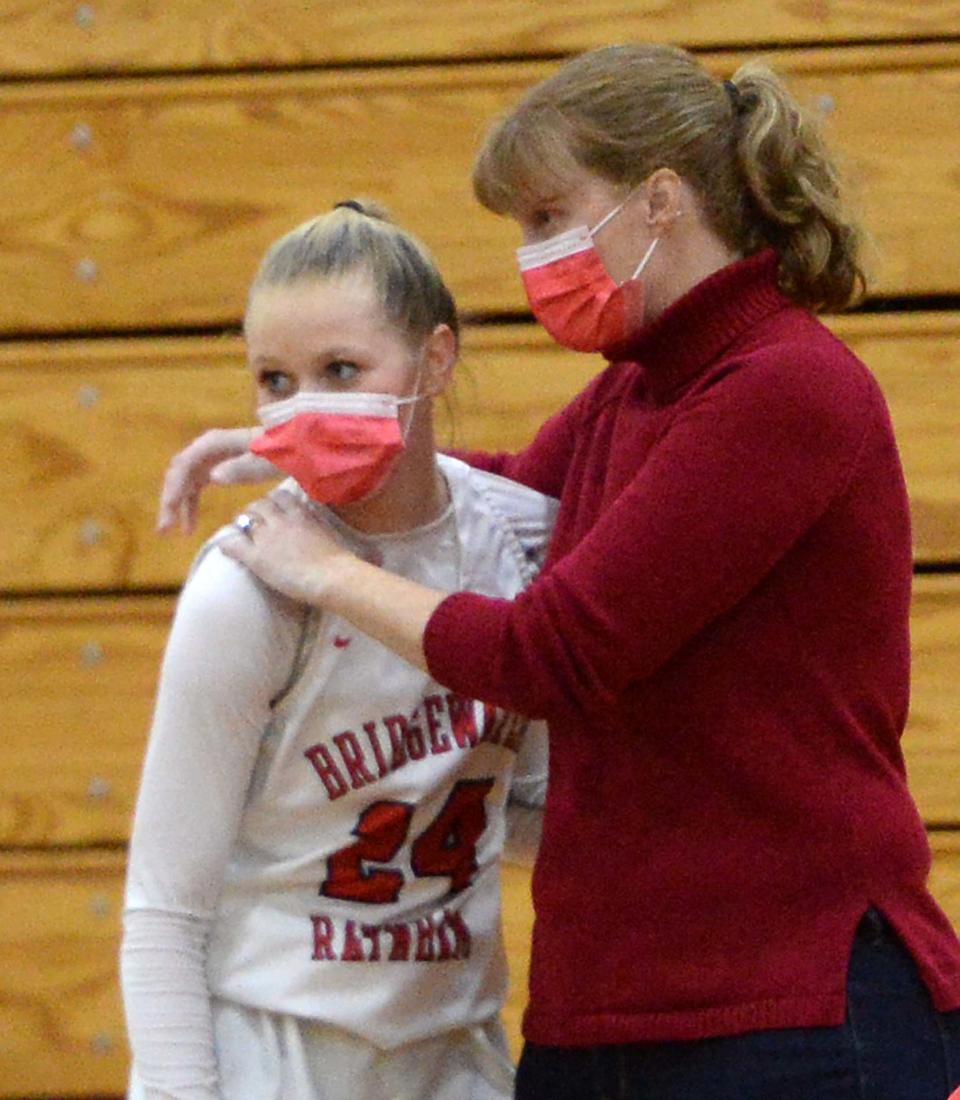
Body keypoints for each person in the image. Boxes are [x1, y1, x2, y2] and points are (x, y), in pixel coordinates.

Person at [155, 44, 960, 1100]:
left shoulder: (784, 386)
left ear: (660, 201)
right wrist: (312, 430)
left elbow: (551, 648)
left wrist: (327, 572)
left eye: (546, 216)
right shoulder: (640, 387)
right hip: (616, 1000)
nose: (531, 257)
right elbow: (495, 493)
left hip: (792, 1002)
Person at [120, 201, 557, 1100]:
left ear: (436, 360)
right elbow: (165, 909)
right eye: (275, 380)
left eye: (341, 370)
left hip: (456, 1053)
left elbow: (518, 815)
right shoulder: (245, 587)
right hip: (274, 1057)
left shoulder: (520, 540)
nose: (306, 405)